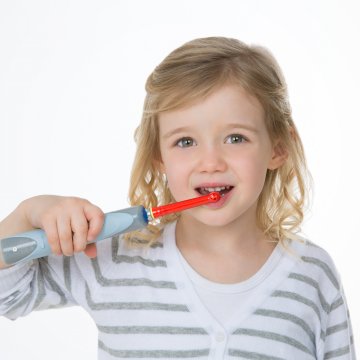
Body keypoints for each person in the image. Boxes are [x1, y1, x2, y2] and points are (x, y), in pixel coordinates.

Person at [0, 37, 356, 359]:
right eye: (185, 142)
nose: (211, 162)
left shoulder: (312, 274)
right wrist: (29, 211)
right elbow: (7, 295)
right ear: (159, 155)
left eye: (235, 138)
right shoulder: (112, 258)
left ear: (278, 147)